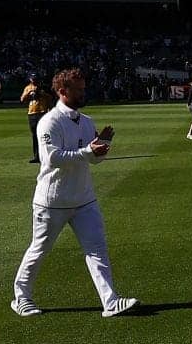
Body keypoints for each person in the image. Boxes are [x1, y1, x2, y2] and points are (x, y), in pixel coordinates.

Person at [11, 67, 137, 318]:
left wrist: (103, 147)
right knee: (39, 249)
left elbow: (93, 160)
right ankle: (21, 298)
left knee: (97, 250)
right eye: (78, 90)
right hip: (52, 201)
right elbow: (52, 158)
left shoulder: (87, 122)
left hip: (84, 199)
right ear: (62, 91)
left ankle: (110, 302)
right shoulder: (49, 121)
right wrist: (89, 152)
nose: (83, 93)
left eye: (83, 88)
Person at [19, 74, 47, 163]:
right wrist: (29, 92)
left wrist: (42, 94)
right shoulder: (28, 88)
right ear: (30, 79)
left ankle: (45, 155)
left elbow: (50, 98)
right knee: (35, 135)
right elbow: (22, 99)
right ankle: (37, 156)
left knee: (44, 135)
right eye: (33, 79)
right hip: (32, 113)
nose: (34, 81)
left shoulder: (44, 87)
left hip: (42, 112)